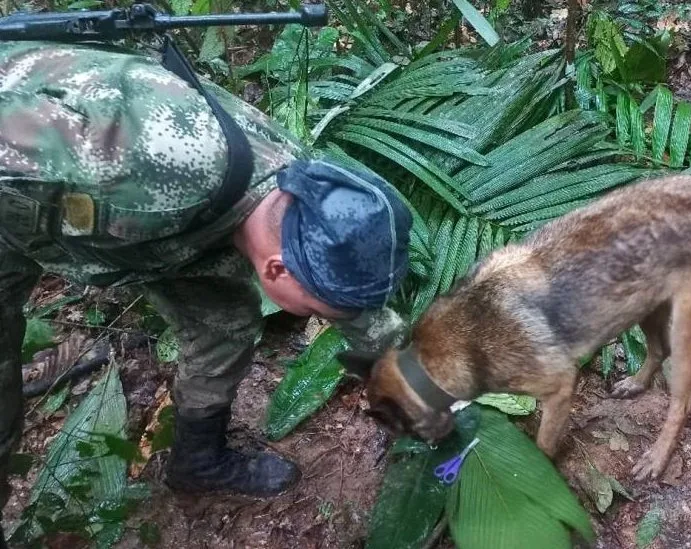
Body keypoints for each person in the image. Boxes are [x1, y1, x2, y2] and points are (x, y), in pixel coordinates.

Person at [0, 39, 412, 544]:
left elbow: (350, 300)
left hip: (133, 218)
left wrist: (412, 373)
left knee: (225, 324)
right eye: (317, 313)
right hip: (20, 191)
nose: (324, 317)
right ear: (278, 271)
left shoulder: (299, 191)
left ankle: (197, 459)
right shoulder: (139, 182)